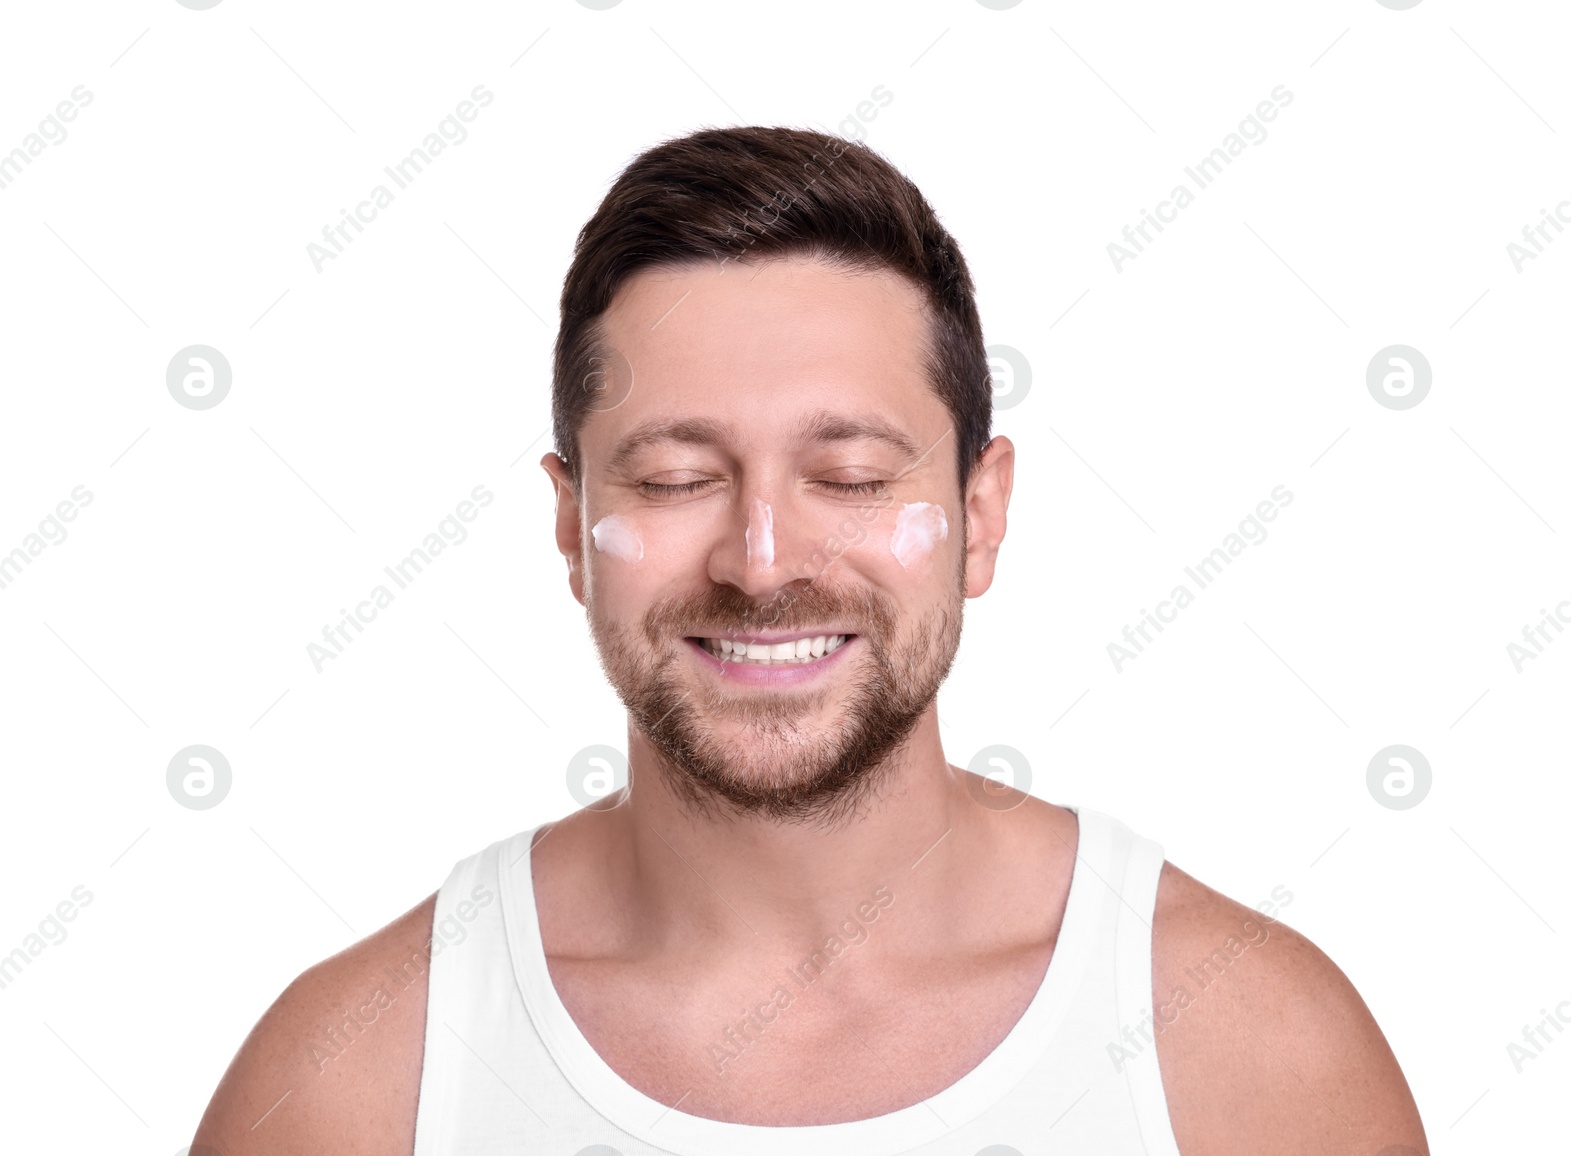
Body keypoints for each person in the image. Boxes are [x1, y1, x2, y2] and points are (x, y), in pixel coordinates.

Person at [193, 126, 1429, 1154]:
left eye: (847, 474)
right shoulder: (355, 1089)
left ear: (979, 515)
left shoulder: (1248, 1060)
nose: (763, 559)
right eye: (676, 479)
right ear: (570, 526)